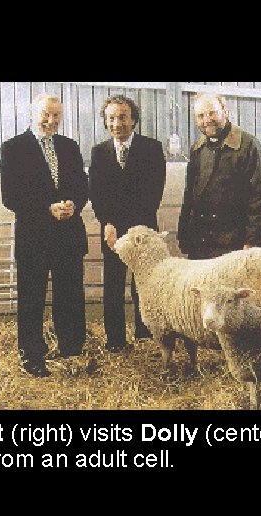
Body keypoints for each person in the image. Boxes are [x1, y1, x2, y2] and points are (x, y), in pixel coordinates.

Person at [0, 94, 89, 377]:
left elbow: (81, 186)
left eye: (56, 116)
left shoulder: (70, 147)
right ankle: (32, 355)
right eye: (46, 115)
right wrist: (46, 208)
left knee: (70, 293)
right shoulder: (13, 148)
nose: (51, 121)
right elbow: (10, 196)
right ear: (31, 113)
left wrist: (74, 204)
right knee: (31, 296)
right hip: (33, 236)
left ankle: (71, 348)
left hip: (68, 234)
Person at [89, 95, 166, 352]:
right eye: (111, 118)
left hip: (142, 231)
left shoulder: (151, 149)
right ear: (105, 122)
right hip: (112, 231)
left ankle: (144, 335)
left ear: (133, 119)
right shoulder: (99, 153)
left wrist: (136, 231)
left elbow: (154, 192)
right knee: (113, 284)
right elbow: (97, 194)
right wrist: (107, 223)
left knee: (141, 284)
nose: (117, 123)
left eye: (122, 117)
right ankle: (115, 341)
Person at [178, 93, 261, 260]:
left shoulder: (248, 146)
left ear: (225, 112)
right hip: (201, 245)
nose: (207, 120)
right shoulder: (197, 150)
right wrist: (184, 237)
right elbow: (189, 197)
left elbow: (259, 201)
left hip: (235, 247)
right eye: (200, 116)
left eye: (212, 113)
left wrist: (252, 245)